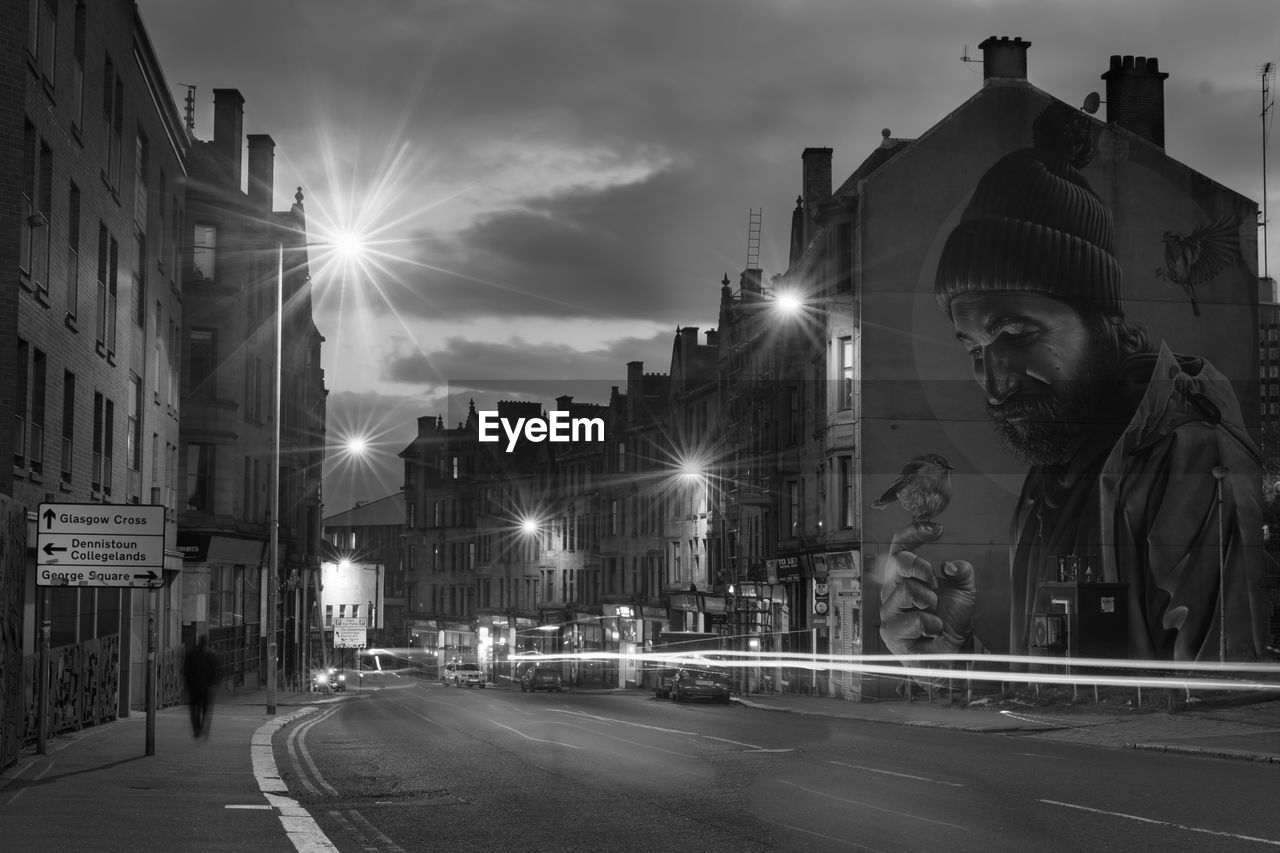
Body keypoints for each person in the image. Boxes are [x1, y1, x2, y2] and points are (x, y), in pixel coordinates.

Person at [879, 102, 1267, 663]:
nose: (994, 383)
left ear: (1101, 319)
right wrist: (950, 650)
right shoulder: (1057, 468)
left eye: (1014, 332)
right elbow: (1059, 695)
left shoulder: (1190, 457)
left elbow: (1208, 715)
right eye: (973, 348)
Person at [183, 634, 221, 738]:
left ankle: (197, 729)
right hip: (207, 688)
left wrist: (187, 685)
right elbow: (217, 671)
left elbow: (186, 671)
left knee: (194, 709)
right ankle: (203, 728)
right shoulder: (212, 655)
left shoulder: (191, 654)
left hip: (194, 688)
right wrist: (215, 684)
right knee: (205, 709)